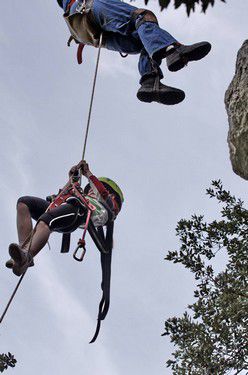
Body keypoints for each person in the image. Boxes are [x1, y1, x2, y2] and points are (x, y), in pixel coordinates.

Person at [57, 0, 211, 105]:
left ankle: (150, 82)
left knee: (146, 39)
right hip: (88, 6)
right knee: (142, 16)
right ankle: (173, 51)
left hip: (83, 31)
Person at [6, 160, 123, 276]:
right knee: (24, 203)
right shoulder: (82, 196)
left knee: (46, 221)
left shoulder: (105, 206)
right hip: (68, 206)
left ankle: (27, 256)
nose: (91, 190)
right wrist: (73, 177)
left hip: (79, 211)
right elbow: (65, 194)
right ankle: (23, 250)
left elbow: (102, 193)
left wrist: (88, 173)